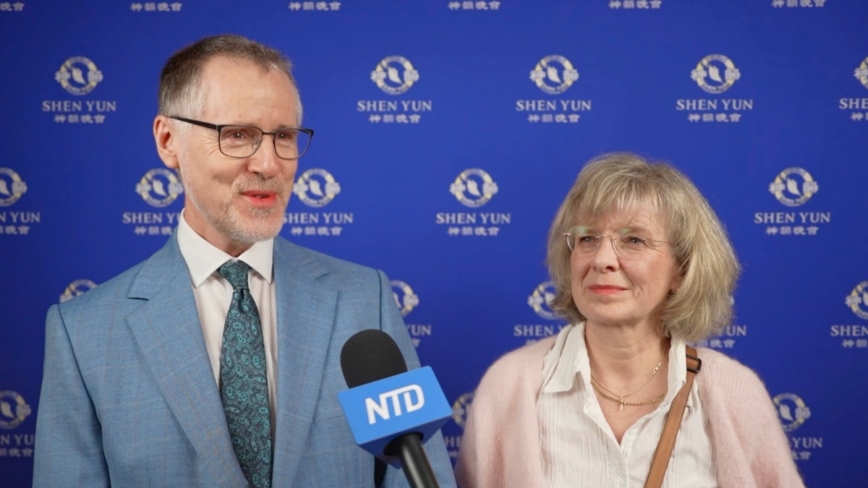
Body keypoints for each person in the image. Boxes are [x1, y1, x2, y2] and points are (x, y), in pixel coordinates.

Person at [33, 34, 455, 488]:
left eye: (284, 136)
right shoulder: (83, 334)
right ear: (168, 141)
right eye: (237, 135)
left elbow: (419, 476)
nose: (269, 164)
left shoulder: (365, 300)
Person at [456, 153, 804, 488]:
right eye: (587, 238)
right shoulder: (509, 386)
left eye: (633, 240)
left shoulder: (734, 392)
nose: (602, 259)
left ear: (681, 270)